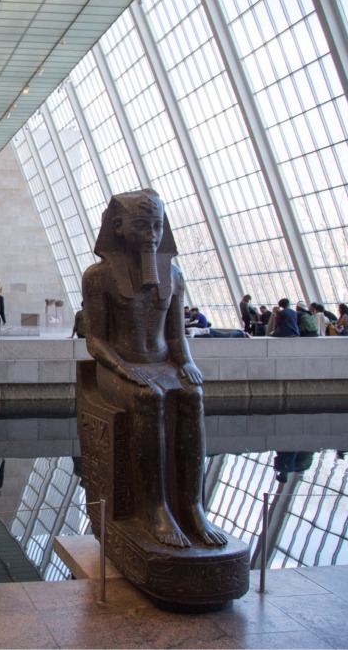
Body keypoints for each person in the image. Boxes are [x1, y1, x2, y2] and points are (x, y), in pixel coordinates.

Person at [82, 189, 226, 548]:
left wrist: (187, 363)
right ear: (118, 227)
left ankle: (192, 506)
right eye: (141, 227)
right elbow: (96, 341)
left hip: (161, 363)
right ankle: (153, 508)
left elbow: (176, 337)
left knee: (192, 395)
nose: (150, 236)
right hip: (118, 367)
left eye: (156, 227)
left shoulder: (173, 276)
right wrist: (126, 370)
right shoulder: (99, 277)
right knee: (150, 399)